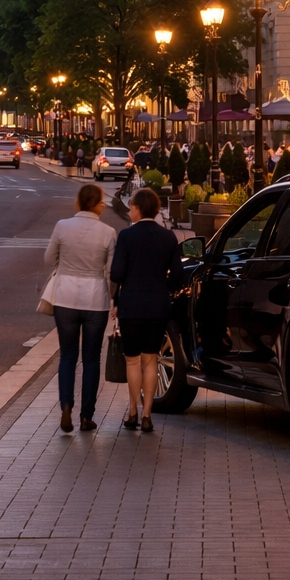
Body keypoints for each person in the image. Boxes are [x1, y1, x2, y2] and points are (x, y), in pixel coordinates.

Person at [43, 183, 117, 433]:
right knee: (92, 358)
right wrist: (113, 299)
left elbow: (48, 259)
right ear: (98, 204)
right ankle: (87, 415)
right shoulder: (108, 232)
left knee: (67, 355)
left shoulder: (62, 226)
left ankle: (66, 405)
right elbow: (111, 272)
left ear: (78, 202)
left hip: (65, 297)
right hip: (95, 299)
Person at [109, 187, 184, 432]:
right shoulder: (168, 237)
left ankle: (132, 411)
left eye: (131, 206)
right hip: (157, 306)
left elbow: (117, 273)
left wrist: (116, 298)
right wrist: (165, 288)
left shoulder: (127, 237)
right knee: (151, 359)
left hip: (130, 306)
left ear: (139, 209)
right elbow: (178, 274)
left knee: (132, 361)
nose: (130, 210)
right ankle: (148, 415)